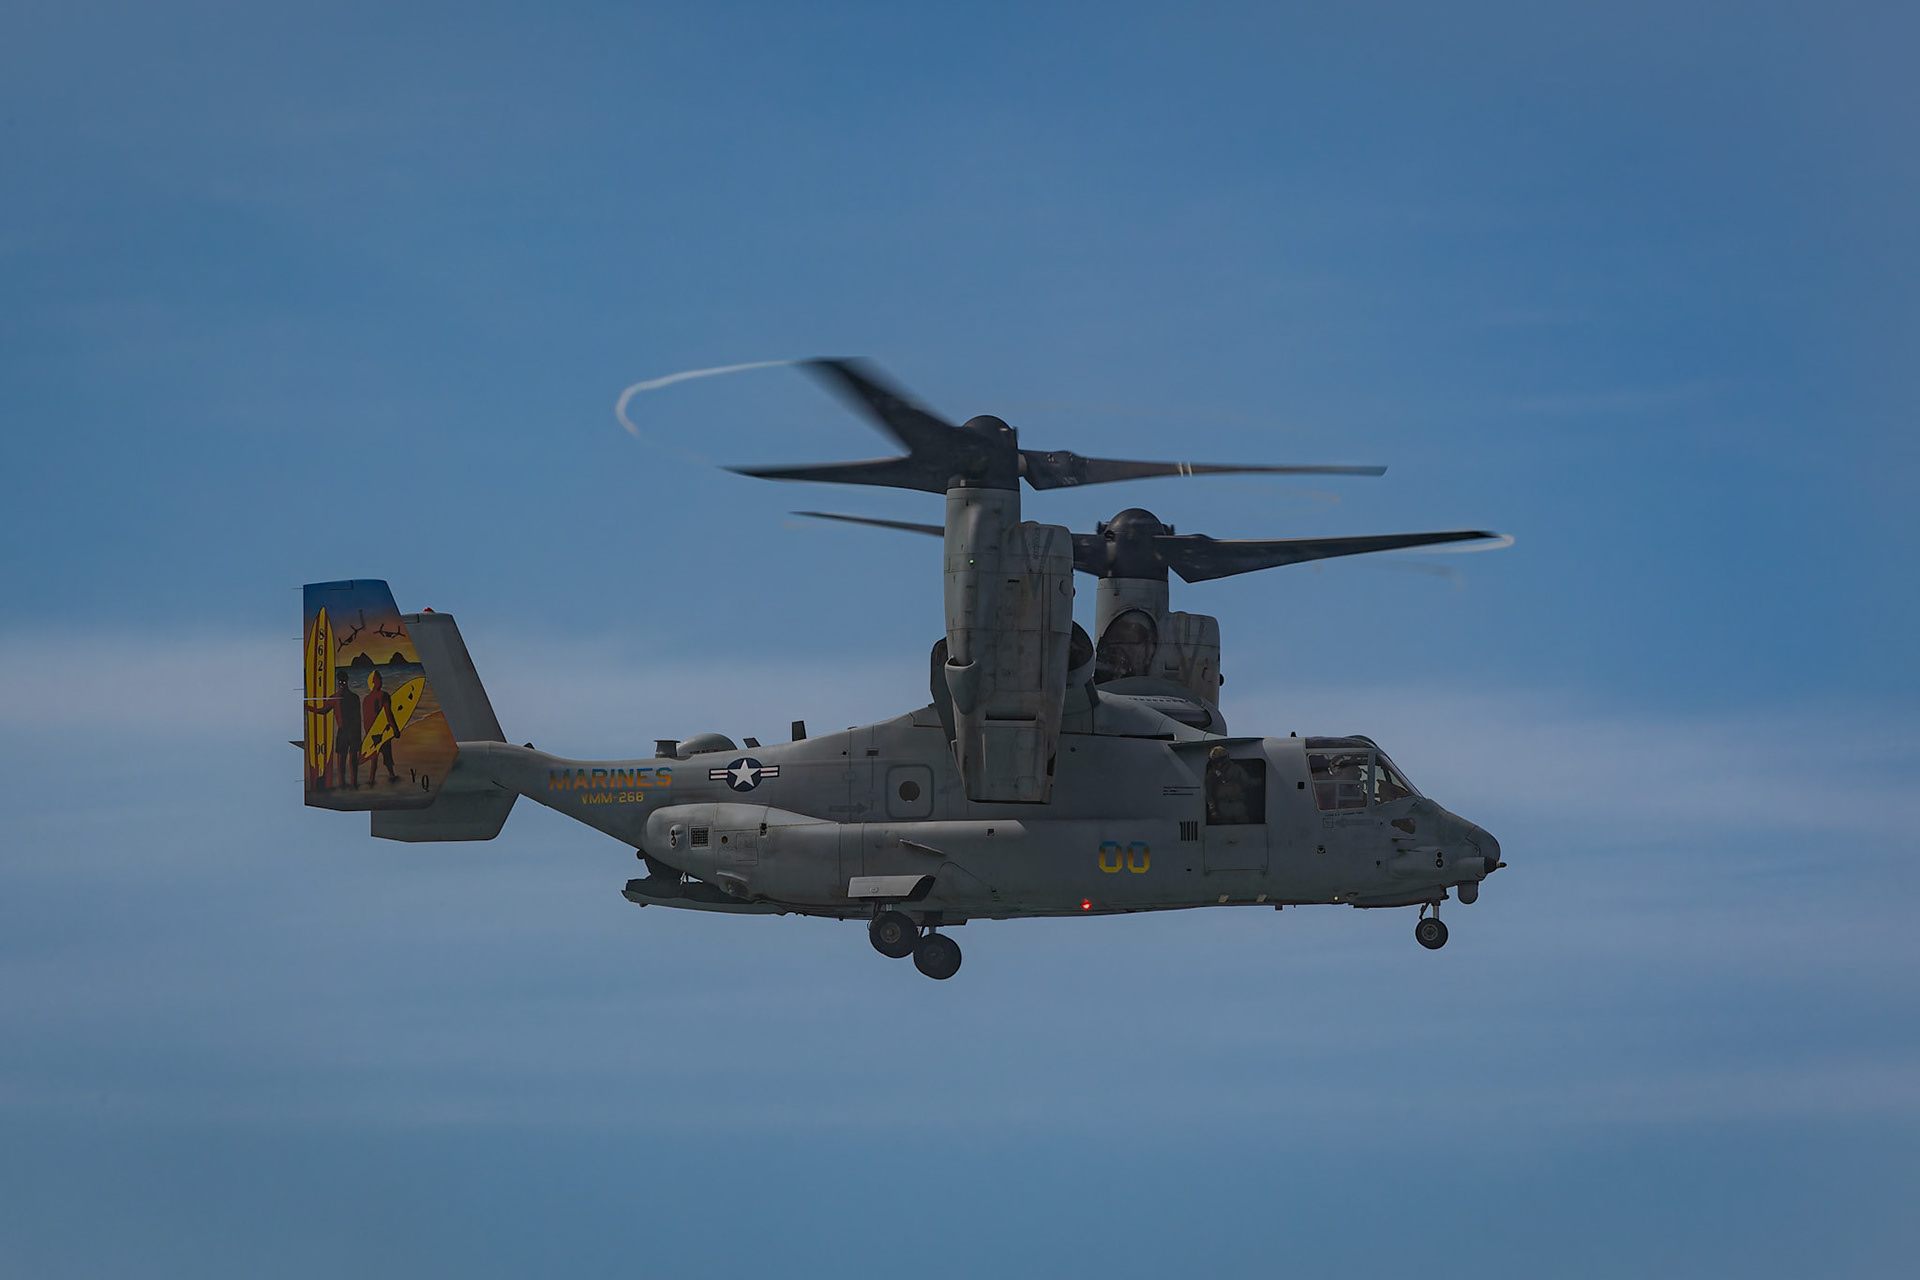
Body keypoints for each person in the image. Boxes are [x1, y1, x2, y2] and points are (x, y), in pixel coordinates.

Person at [305, 673, 363, 789]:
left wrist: (307, 707)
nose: (341, 683)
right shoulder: (345, 698)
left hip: (347, 732)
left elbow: (322, 711)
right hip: (350, 732)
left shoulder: (338, 698)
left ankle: (348, 784)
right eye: (341, 682)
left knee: (347, 759)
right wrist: (308, 707)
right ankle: (351, 784)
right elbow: (358, 718)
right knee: (348, 759)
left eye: (342, 682)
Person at [361, 669, 402, 784]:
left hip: (371, 731)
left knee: (374, 754)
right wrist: (395, 729)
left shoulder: (366, 699)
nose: (381, 680)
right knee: (387, 753)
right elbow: (388, 713)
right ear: (374, 682)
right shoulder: (384, 695)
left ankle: (371, 779)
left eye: (380, 678)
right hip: (382, 730)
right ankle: (391, 775)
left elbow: (366, 717)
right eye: (379, 678)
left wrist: (368, 734)